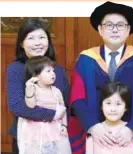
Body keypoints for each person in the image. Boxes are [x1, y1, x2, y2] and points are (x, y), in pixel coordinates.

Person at [68, 1, 133, 154]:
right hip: (96, 136)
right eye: (109, 25)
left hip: (131, 137)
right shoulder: (86, 59)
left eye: (120, 25)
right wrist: (93, 126)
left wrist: (132, 129)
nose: (115, 30)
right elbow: (76, 98)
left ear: (128, 29)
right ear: (100, 29)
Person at [6, 18, 69, 154]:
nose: (37, 43)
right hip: (27, 139)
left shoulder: (57, 70)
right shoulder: (16, 69)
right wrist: (52, 114)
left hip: (56, 139)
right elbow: (16, 106)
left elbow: (66, 103)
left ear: (48, 41)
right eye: (31, 38)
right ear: (22, 43)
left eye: (42, 37)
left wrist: (63, 123)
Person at [17, 56, 71, 154]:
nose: (53, 74)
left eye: (53, 71)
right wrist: (29, 91)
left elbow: (63, 109)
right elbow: (31, 106)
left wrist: (64, 125)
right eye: (48, 71)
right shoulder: (33, 89)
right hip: (35, 130)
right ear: (36, 76)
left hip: (54, 129)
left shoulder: (56, 91)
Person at [86, 82, 133, 154]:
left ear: (125, 107)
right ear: (101, 106)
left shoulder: (132, 131)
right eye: (108, 103)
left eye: (118, 104)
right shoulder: (94, 131)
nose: (113, 109)